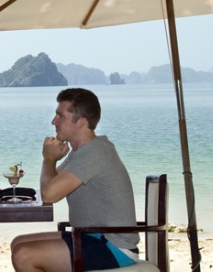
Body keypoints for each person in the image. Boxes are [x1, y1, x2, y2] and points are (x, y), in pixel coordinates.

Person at [11, 88, 139, 271]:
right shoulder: (80, 152)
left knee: (24, 255)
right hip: (88, 236)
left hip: (113, 247)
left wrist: (49, 159)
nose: (53, 121)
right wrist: (51, 160)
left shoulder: (96, 151)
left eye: (60, 116)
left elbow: (49, 195)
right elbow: (52, 183)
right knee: (18, 243)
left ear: (81, 122)